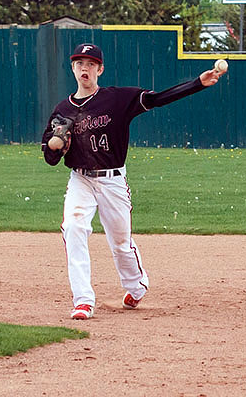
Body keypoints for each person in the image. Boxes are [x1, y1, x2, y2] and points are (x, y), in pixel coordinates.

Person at [42, 43, 226, 320]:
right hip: (80, 179)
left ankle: (135, 287)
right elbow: (49, 157)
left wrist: (197, 84)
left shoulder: (118, 99)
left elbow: (158, 99)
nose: (85, 68)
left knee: (120, 242)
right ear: (72, 68)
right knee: (74, 228)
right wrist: (54, 147)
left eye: (91, 64)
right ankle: (83, 300)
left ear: (100, 70)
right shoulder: (62, 110)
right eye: (79, 63)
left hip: (112, 181)